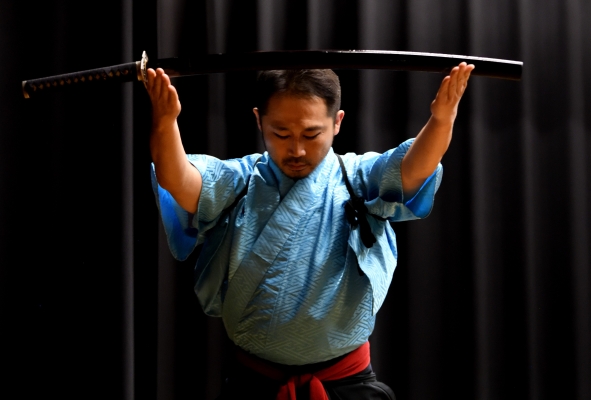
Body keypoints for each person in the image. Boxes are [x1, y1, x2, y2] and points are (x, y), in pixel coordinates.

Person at [147, 63, 474, 399]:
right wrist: (165, 122)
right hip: (254, 385)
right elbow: (179, 181)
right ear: (259, 120)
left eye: (311, 134)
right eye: (281, 134)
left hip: (347, 384)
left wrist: (441, 121)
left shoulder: (357, 178)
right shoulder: (241, 180)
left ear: (337, 122)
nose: (297, 150)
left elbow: (411, 171)